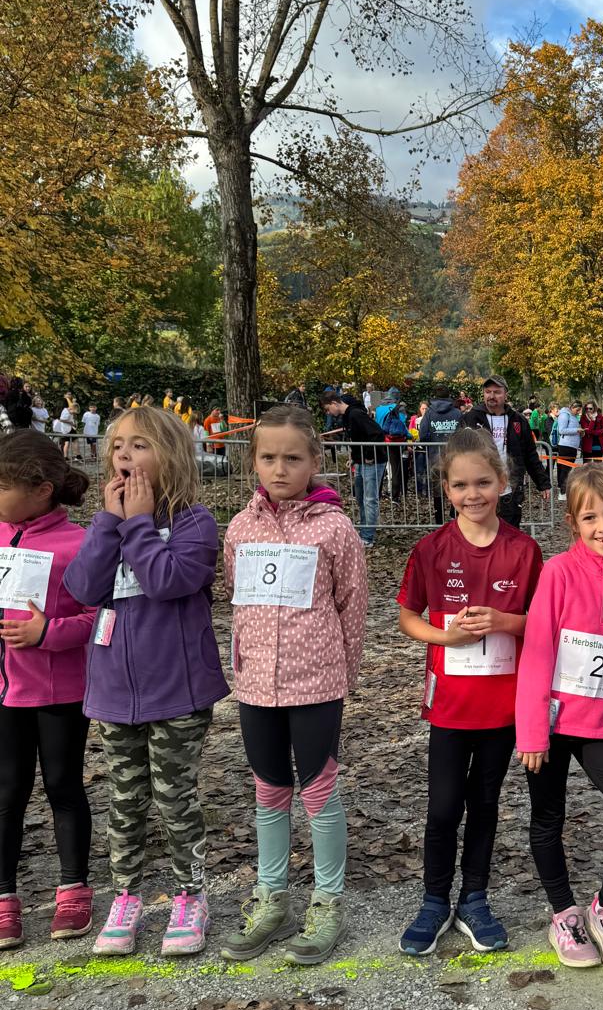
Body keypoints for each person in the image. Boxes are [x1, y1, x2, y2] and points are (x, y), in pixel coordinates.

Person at [64, 406, 229, 956]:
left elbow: (166, 581)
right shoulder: (107, 522)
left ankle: (190, 896)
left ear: (171, 455)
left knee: (174, 797)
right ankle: (125, 896)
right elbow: (83, 587)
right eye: (118, 446)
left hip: (177, 691)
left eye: (139, 445)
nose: (125, 456)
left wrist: (137, 523)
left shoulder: (194, 522)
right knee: (125, 799)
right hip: (113, 692)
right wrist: (109, 523)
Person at [219, 407, 368, 966]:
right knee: (268, 789)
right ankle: (272, 897)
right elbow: (236, 596)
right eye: (268, 457)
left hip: (317, 683)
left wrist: (343, 673)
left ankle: (328, 900)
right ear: (253, 461)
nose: (279, 469)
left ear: (314, 461)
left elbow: (352, 604)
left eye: (292, 458)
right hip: (257, 685)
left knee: (319, 789)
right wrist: (246, 663)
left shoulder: (335, 529)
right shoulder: (241, 527)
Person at [397, 429, 544, 956]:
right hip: (450, 708)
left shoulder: (524, 550)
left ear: (503, 482)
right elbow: (408, 616)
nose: (472, 493)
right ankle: (434, 900)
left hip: (502, 708)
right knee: (442, 808)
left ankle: (474, 899)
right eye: (460, 485)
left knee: (484, 805)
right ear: (446, 489)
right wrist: (445, 638)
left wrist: (504, 620)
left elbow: (541, 623)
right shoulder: (431, 549)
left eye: (483, 482)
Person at [516, 464, 603, 972]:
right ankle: (563, 915)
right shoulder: (557, 572)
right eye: (590, 517)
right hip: (553, 725)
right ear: (573, 523)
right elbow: (537, 653)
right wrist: (532, 731)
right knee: (547, 820)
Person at [0, 433, 95, 950]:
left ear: (40, 491)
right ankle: (4, 897)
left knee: (63, 785)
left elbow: (97, 617)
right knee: (6, 791)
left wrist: (47, 633)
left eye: (2, 487)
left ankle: (74, 888)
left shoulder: (77, 544)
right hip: (3, 693)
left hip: (60, 692)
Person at [461, 375, 552, 530]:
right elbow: (458, 453)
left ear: (505, 394)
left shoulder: (518, 420)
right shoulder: (470, 418)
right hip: (478, 491)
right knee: (480, 532)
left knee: (509, 533)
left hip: (510, 489)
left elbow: (530, 454)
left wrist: (542, 482)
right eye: (488, 392)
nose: (491, 396)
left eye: (497, 392)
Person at [326, 390, 388, 545]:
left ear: (334, 403)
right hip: (361, 462)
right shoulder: (349, 415)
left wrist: (369, 455)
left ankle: (368, 536)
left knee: (369, 499)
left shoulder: (355, 414)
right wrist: (354, 458)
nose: (329, 413)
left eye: (328, 409)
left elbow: (377, 433)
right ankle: (364, 531)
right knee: (361, 498)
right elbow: (357, 438)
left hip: (372, 462)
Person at [554, 402, 582, 493]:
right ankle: (562, 491)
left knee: (568, 469)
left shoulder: (574, 416)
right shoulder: (564, 415)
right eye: (577, 410)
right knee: (565, 469)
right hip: (566, 446)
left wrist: (580, 432)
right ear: (572, 407)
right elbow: (562, 430)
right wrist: (577, 430)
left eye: (579, 410)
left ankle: (563, 489)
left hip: (572, 446)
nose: (578, 412)